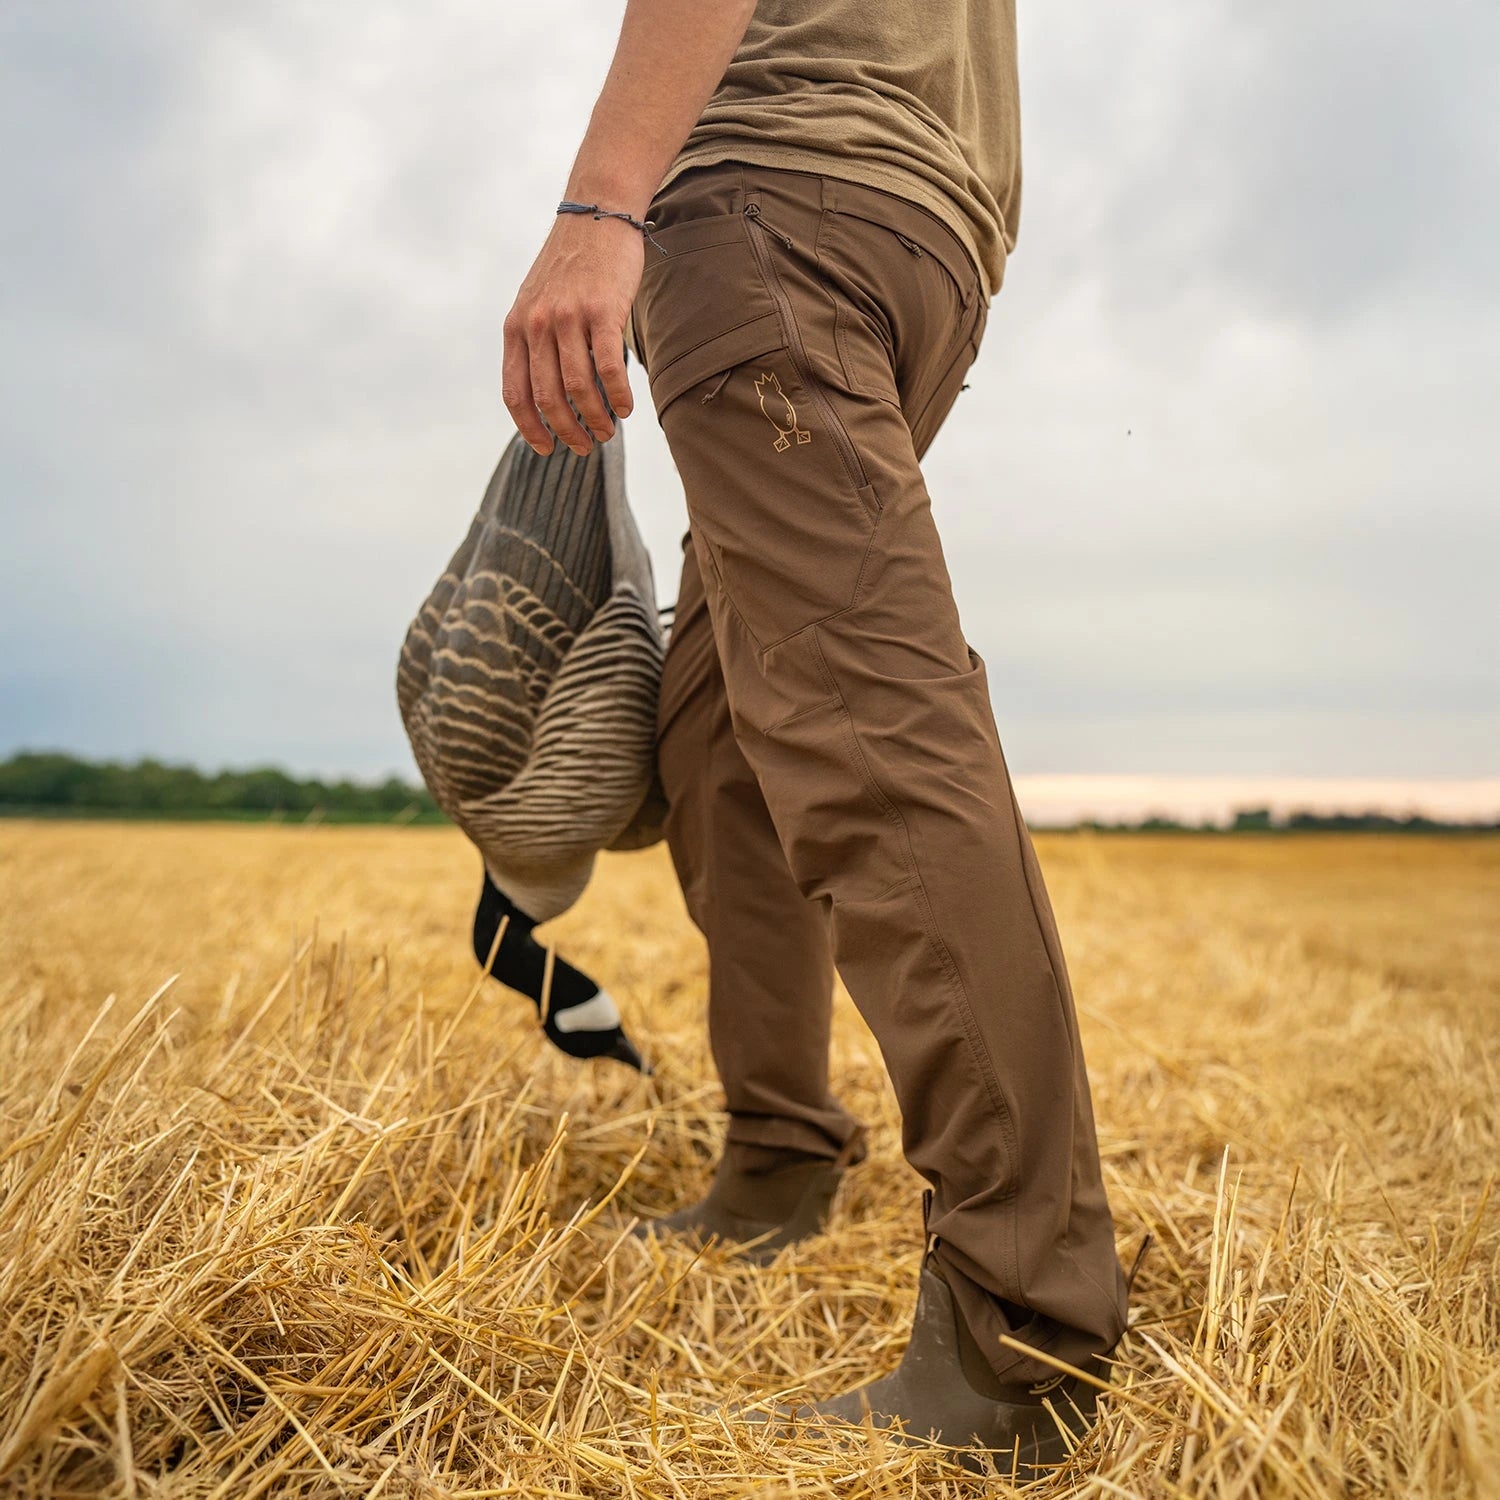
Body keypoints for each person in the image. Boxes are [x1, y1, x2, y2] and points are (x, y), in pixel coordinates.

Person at [501, 0, 1134, 1470]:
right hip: (922, 237)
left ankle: (1020, 1313)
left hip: (778, 198)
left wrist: (599, 206)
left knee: (872, 735)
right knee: (715, 731)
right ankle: (780, 1153)